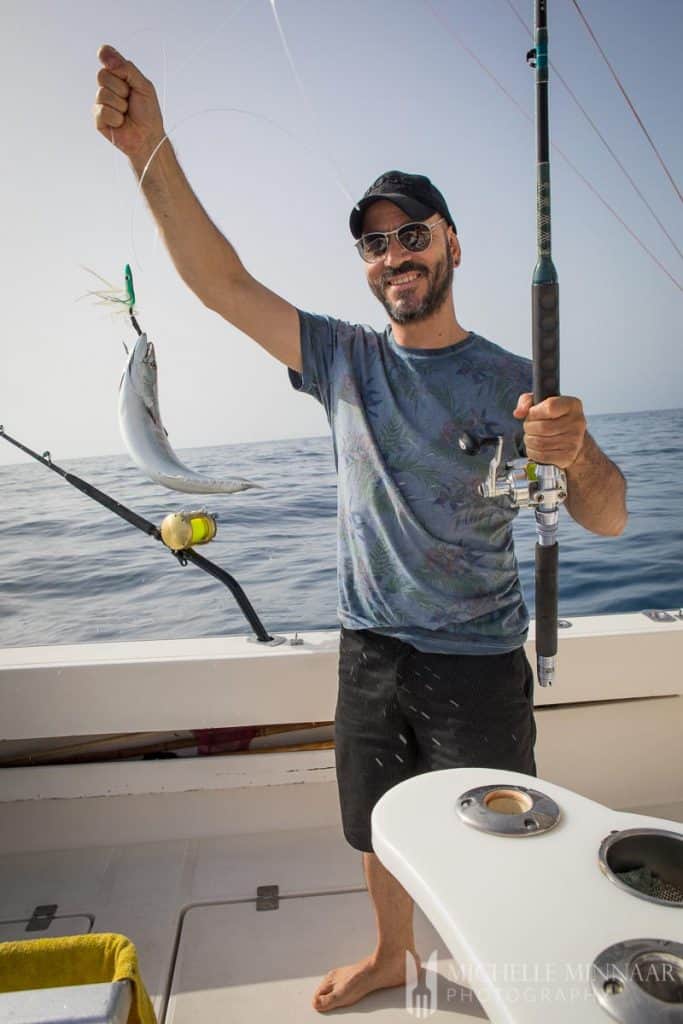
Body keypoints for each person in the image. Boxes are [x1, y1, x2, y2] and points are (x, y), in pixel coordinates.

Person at [94, 45, 628, 1014]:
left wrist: (578, 452)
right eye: (375, 244)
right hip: (369, 650)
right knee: (379, 826)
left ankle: (514, 974)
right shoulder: (341, 360)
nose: (394, 256)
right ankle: (391, 954)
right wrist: (148, 150)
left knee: (499, 842)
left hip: (474, 657)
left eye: (410, 234)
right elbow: (223, 284)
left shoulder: (514, 380)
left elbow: (606, 513)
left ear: (452, 244)